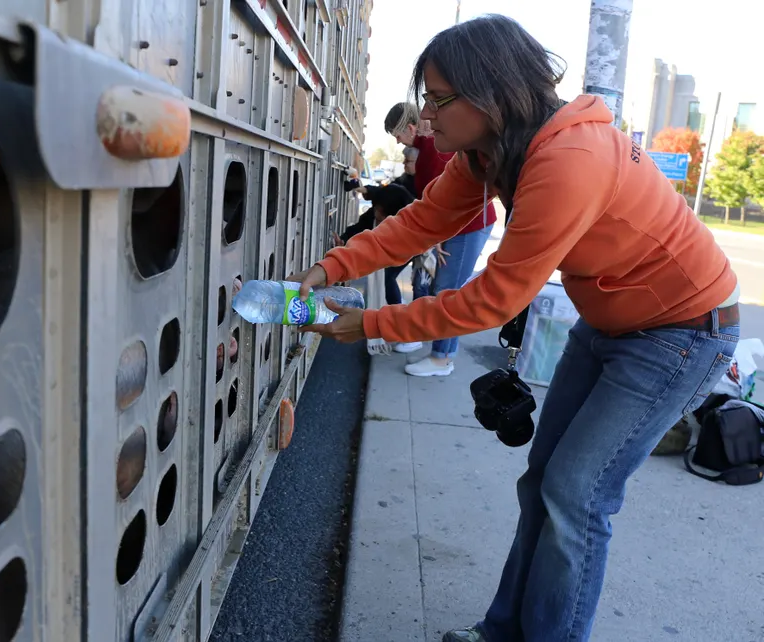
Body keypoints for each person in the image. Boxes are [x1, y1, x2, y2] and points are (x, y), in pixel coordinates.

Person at [288, 14, 739, 642]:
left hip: (682, 332)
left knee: (576, 496)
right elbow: (421, 223)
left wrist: (372, 323)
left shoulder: (569, 158)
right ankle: (502, 632)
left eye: (438, 99)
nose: (426, 117)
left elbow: (492, 301)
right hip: (609, 325)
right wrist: (332, 264)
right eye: (426, 98)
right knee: (543, 483)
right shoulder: (490, 150)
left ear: (491, 91)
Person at [385, 102, 496, 374]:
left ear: (410, 129)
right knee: (441, 289)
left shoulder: (431, 153)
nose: (398, 142)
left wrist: (437, 239)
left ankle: (442, 358)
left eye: (397, 135)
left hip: (469, 225)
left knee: (447, 291)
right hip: (463, 224)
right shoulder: (428, 149)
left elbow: (440, 203)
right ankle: (431, 345)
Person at [333, 183, 416, 314]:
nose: (377, 214)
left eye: (381, 214)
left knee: (387, 277)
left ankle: (397, 312)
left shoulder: (407, 227)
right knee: (382, 279)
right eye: (376, 210)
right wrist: (344, 240)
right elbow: (359, 228)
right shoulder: (376, 211)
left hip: (405, 251)